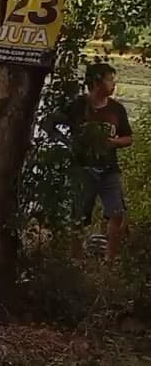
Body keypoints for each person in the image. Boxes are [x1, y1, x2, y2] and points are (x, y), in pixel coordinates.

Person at [43, 62, 134, 260]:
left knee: (116, 213)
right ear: (96, 82)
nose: (114, 84)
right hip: (83, 170)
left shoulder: (117, 109)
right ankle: (76, 259)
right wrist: (65, 141)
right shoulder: (78, 106)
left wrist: (113, 142)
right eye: (110, 79)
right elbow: (50, 122)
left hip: (109, 169)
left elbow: (128, 138)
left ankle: (110, 260)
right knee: (79, 217)